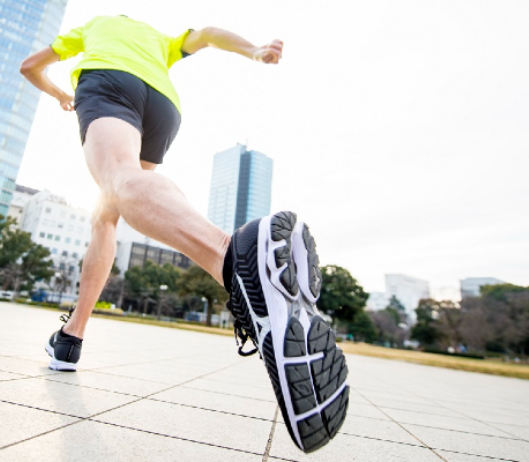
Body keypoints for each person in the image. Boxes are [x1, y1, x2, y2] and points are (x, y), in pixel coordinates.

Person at [20, 15, 348, 453]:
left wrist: (61, 93)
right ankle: (71, 339)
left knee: (118, 180)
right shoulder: (160, 38)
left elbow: (29, 66)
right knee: (109, 209)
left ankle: (235, 260)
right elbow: (209, 34)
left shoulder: (94, 27)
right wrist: (255, 50)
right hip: (161, 105)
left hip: (108, 83)